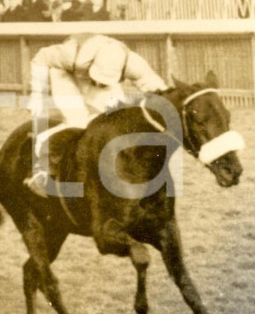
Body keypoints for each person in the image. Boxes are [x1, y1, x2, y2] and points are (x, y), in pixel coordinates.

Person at [25, 34, 167, 195]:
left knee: (115, 117)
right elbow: (40, 58)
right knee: (78, 121)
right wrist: (37, 96)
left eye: (103, 82)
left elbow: (158, 89)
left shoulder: (134, 64)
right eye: (97, 79)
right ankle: (42, 168)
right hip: (64, 74)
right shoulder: (70, 55)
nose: (98, 84)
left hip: (92, 71)